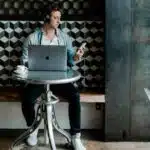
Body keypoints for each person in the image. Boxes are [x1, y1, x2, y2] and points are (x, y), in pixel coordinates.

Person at [20, 3, 86, 150]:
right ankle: (33, 129)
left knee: (75, 95)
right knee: (27, 99)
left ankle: (76, 137)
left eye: (59, 18)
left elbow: (70, 60)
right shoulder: (32, 38)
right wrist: (27, 65)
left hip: (59, 81)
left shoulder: (64, 38)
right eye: (55, 18)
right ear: (46, 18)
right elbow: (23, 62)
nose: (58, 21)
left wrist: (76, 57)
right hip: (37, 81)